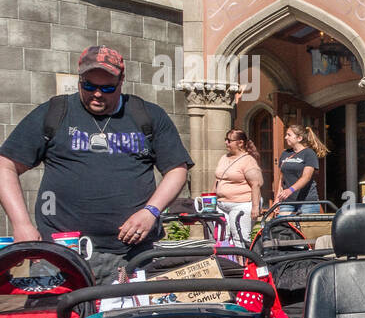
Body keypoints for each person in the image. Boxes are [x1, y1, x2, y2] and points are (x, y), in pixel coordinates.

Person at [0, 46, 192, 282]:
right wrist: (21, 224)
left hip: (132, 254)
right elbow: (5, 165)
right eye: (89, 86)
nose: (97, 94)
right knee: (58, 317)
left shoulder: (147, 115)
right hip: (60, 254)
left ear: (122, 81)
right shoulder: (55, 112)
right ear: (80, 80)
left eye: (107, 88)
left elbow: (176, 170)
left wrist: (150, 211)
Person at [214, 130, 263, 243]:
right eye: (225, 140)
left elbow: (256, 184)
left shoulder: (248, 160)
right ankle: (225, 261)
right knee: (220, 238)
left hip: (241, 205)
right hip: (221, 205)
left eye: (229, 140)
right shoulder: (224, 158)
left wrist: (255, 207)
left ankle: (241, 260)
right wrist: (212, 198)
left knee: (239, 238)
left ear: (240, 143)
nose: (226, 142)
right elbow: (218, 179)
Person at [275, 124, 328, 215]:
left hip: (307, 201)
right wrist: (277, 199)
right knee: (283, 226)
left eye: (289, 135)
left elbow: (306, 177)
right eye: (286, 134)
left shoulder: (309, 153)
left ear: (299, 138)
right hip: (287, 201)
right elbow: (281, 178)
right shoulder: (285, 154)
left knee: (306, 228)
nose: (285, 137)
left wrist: (290, 190)